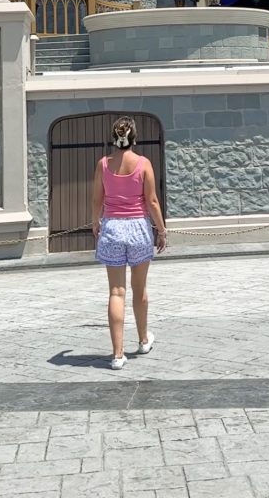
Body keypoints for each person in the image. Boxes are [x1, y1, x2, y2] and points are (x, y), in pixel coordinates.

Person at [92, 115, 167, 370]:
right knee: (139, 289)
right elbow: (152, 201)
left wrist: (95, 222)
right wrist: (162, 230)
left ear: (113, 138)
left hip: (112, 227)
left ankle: (117, 354)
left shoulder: (103, 164)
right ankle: (144, 339)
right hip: (138, 230)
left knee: (116, 292)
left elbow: (96, 199)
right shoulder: (143, 164)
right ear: (133, 138)